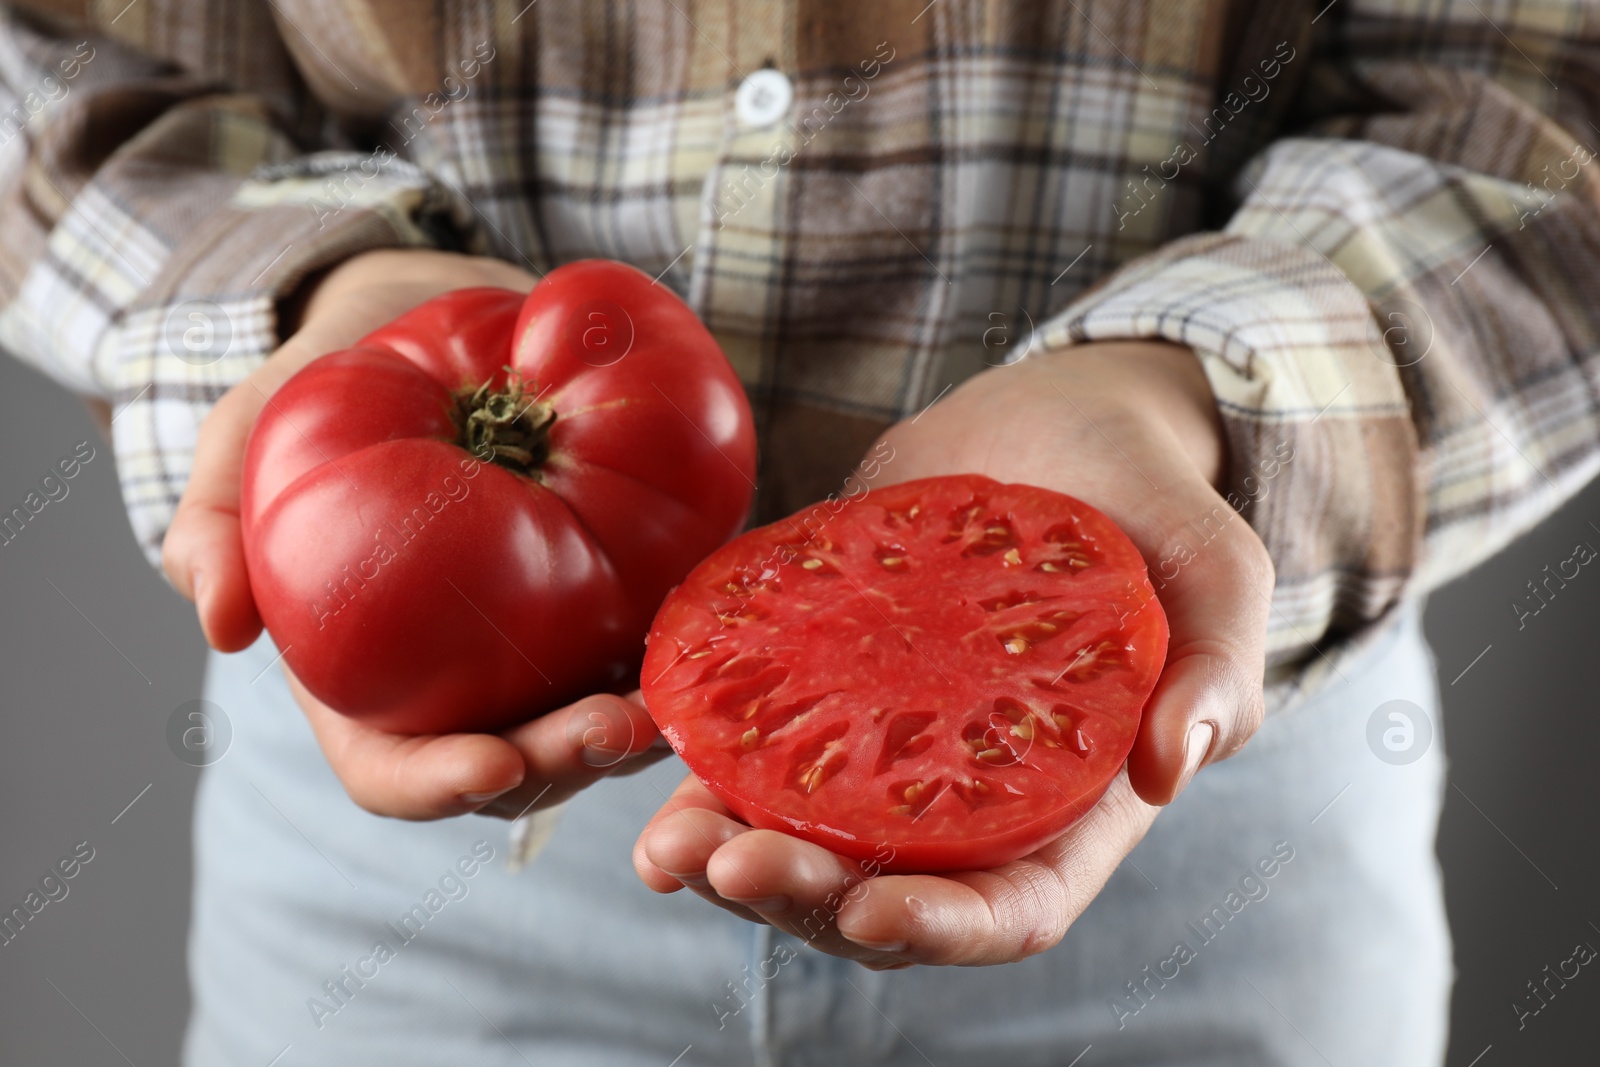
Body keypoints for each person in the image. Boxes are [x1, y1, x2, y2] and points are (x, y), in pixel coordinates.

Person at [2, 1, 1596, 1063]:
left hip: (1197, 779)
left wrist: (1186, 395)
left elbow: (1541, 89)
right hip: (406, 882)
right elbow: (56, 41)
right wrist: (321, 298)